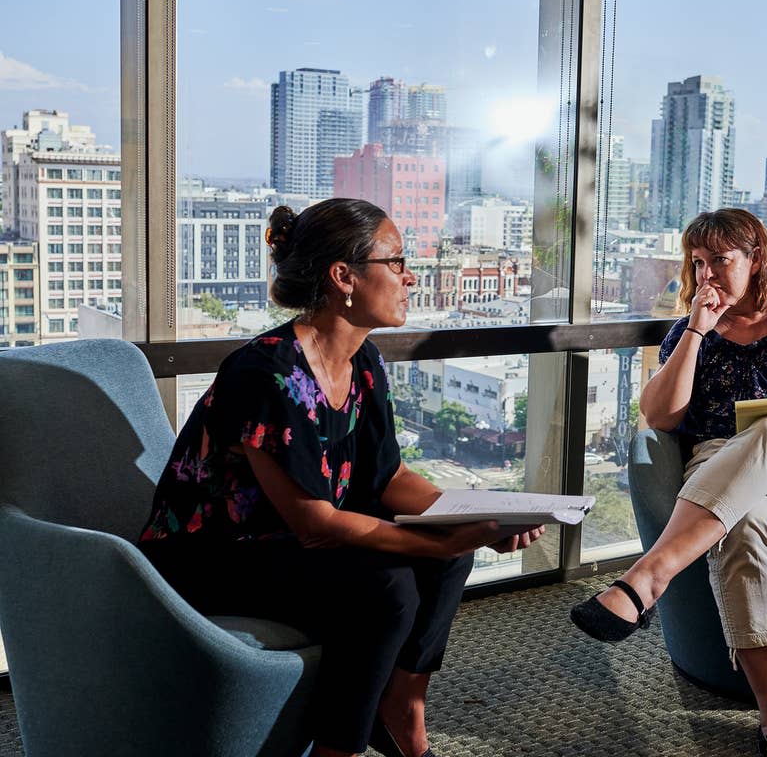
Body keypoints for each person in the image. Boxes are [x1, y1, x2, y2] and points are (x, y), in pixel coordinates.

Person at [138, 198, 544, 757]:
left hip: (281, 542)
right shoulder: (267, 374)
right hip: (211, 556)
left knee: (449, 558)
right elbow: (315, 523)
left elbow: (388, 478)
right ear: (343, 277)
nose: (410, 278)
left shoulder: (365, 362)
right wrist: (442, 537)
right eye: (397, 263)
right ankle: (341, 747)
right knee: (388, 585)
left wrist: (478, 516)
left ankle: (403, 707)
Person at [571, 208, 767, 757]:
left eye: (721, 260)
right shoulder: (694, 331)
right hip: (727, 477)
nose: (707, 274)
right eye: (698, 262)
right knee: (744, 526)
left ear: (756, 257)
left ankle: (649, 577)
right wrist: (695, 330)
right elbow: (661, 418)